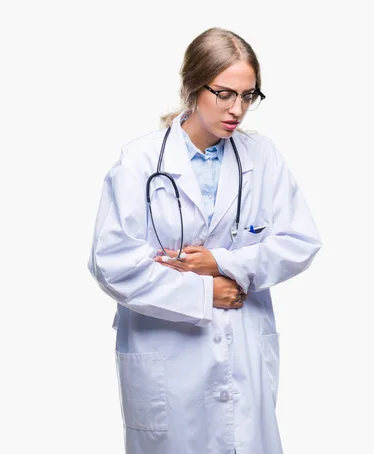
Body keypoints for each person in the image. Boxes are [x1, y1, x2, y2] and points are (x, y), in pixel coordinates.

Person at [87, 27, 322, 454]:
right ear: (194, 87)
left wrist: (221, 262)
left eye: (248, 96)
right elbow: (113, 264)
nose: (238, 109)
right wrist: (203, 292)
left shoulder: (262, 156)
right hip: (166, 351)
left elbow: (300, 241)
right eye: (225, 94)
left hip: (244, 349)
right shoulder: (140, 161)